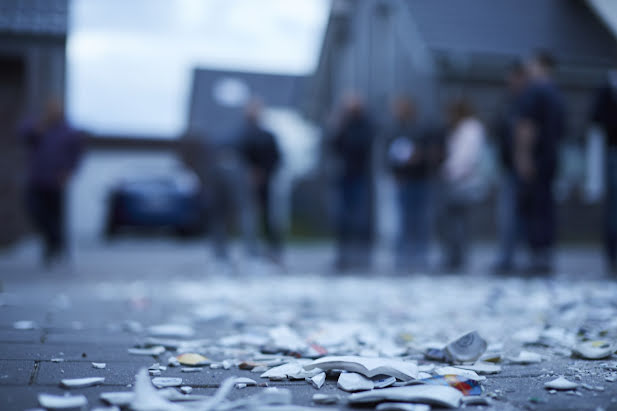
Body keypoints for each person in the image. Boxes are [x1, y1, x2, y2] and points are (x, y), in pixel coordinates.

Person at [514, 51, 565, 275]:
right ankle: (545, 254)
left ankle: (537, 256)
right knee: (545, 207)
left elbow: (527, 126)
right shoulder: (556, 93)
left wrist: (523, 156)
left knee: (534, 208)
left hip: (537, 159)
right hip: (551, 158)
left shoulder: (535, 91)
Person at [22, 98, 83, 267]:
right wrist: (40, 126)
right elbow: (23, 134)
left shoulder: (69, 132)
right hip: (36, 178)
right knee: (35, 210)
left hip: (56, 181)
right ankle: (55, 241)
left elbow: (77, 155)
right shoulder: (40, 127)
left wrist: (70, 172)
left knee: (55, 217)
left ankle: (54, 249)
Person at [385, 97, 436, 272]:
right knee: (404, 218)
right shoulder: (394, 129)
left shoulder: (422, 128)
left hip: (421, 179)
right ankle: (402, 253)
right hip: (403, 180)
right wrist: (395, 173)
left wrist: (420, 156)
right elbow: (389, 155)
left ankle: (421, 253)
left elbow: (432, 151)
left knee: (421, 218)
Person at [439, 98, 486, 272]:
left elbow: (467, 157)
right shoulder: (463, 129)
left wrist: (454, 172)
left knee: (459, 220)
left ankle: (457, 256)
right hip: (455, 178)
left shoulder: (471, 129)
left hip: (462, 180)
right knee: (454, 221)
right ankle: (454, 254)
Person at [331, 95, 375, 271]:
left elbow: (360, 145)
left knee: (359, 216)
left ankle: (360, 255)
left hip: (359, 176)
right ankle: (343, 254)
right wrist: (338, 126)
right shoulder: (343, 125)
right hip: (344, 177)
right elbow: (333, 145)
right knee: (342, 218)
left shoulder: (365, 125)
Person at [491, 62, 528, 274]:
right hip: (507, 166)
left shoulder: (527, 101)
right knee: (508, 214)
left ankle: (519, 257)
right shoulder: (508, 102)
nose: (510, 82)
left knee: (515, 214)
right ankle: (508, 256)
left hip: (522, 168)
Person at [238, 100, 282, 261]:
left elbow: (276, 158)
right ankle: (251, 250)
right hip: (247, 182)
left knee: (269, 217)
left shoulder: (267, 136)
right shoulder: (241, 134)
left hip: (267, 182)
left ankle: (274, 250)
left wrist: (264, 173)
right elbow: (239, 156)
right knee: (249, 217)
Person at [590, 69, 617, 274]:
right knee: (613, 206)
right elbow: (596, 117)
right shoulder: (607, 86)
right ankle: (612, 252)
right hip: (613, 150)